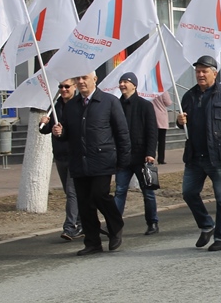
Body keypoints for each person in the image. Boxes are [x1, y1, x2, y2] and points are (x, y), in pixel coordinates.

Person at [51, 71, 130, 256]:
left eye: (84, 78)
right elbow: (67, 135)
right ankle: (92, 242)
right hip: (79, 161)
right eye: (78, 78)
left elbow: (122, 132)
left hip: (101, 159)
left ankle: (116, 225)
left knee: (99, 195)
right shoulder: (71, 106)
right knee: (84, 203)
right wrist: (60, 133)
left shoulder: (109, 102)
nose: (81, 82)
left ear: (95, 79)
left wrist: (124, 160)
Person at [176, 56, 221, 252]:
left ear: (215, 73)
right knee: (189, 193)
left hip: (219, 156)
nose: (200, 74)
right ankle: (207, 225)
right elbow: (185, 125)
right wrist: (180, 122)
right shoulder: (189, 96)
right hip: (195, 156)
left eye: (204, 71)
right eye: (197, 71)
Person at [113, 72, 159, 235]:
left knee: (148, 192)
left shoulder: (145, 105)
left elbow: (152, 131)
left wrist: (150, 153)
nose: (122, 85)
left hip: (141, 157)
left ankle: (152, 222)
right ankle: (115, 225)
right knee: (119, 191)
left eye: (126, 81)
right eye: (121, 82)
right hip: (122, 157)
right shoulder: (115, 105)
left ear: (134, 85)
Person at [39, 79, 82, 240]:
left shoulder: (79, 105)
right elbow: (46, 131)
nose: (63, 90)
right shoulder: (55, 106)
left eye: (67, 86)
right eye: (60, 87)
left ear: (74, 87)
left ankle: (69, 227)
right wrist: (43, 124)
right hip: (60, 155)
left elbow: (79, 129)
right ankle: (81, 223)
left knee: (72, 192)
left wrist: (64, 131)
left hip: (75, 154)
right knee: (70, 192)